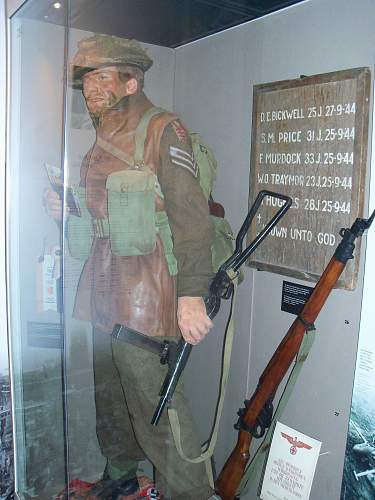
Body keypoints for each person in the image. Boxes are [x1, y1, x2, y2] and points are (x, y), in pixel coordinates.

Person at [45, 34, 218, 499]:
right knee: (111, 397)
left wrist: (191, 294)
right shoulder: (104, 137)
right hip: (104, 284)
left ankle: (192, 494)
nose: (90, 89)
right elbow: (104, 210)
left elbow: (191, 218)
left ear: (131, 81)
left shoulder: (163, 128)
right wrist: (68, 210)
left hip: (149, 287)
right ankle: (120, 476)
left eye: (101, 77)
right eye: (87, 80)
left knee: (155, 405)